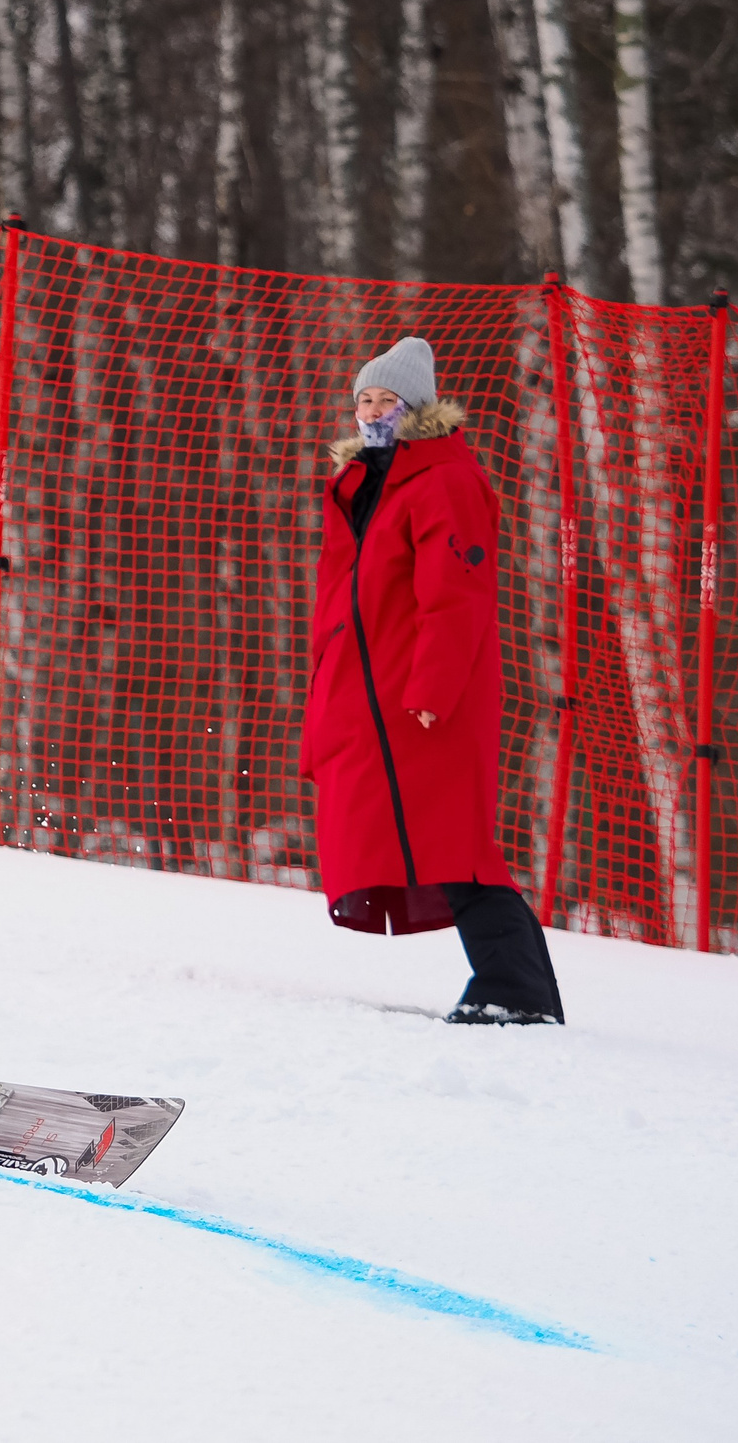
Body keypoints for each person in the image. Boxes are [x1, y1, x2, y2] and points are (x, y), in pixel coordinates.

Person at [301, 336, 565, 1024]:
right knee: (440, 842)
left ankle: (517, 990)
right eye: (364, 398)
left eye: (387, 399)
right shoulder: (366, 483)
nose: (372, 410)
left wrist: (431, 690)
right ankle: (515, 988)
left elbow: (456, 594)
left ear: (418, 408)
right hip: (378, 692)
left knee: (458, 845)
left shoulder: (443, 479)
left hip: (424, 696)